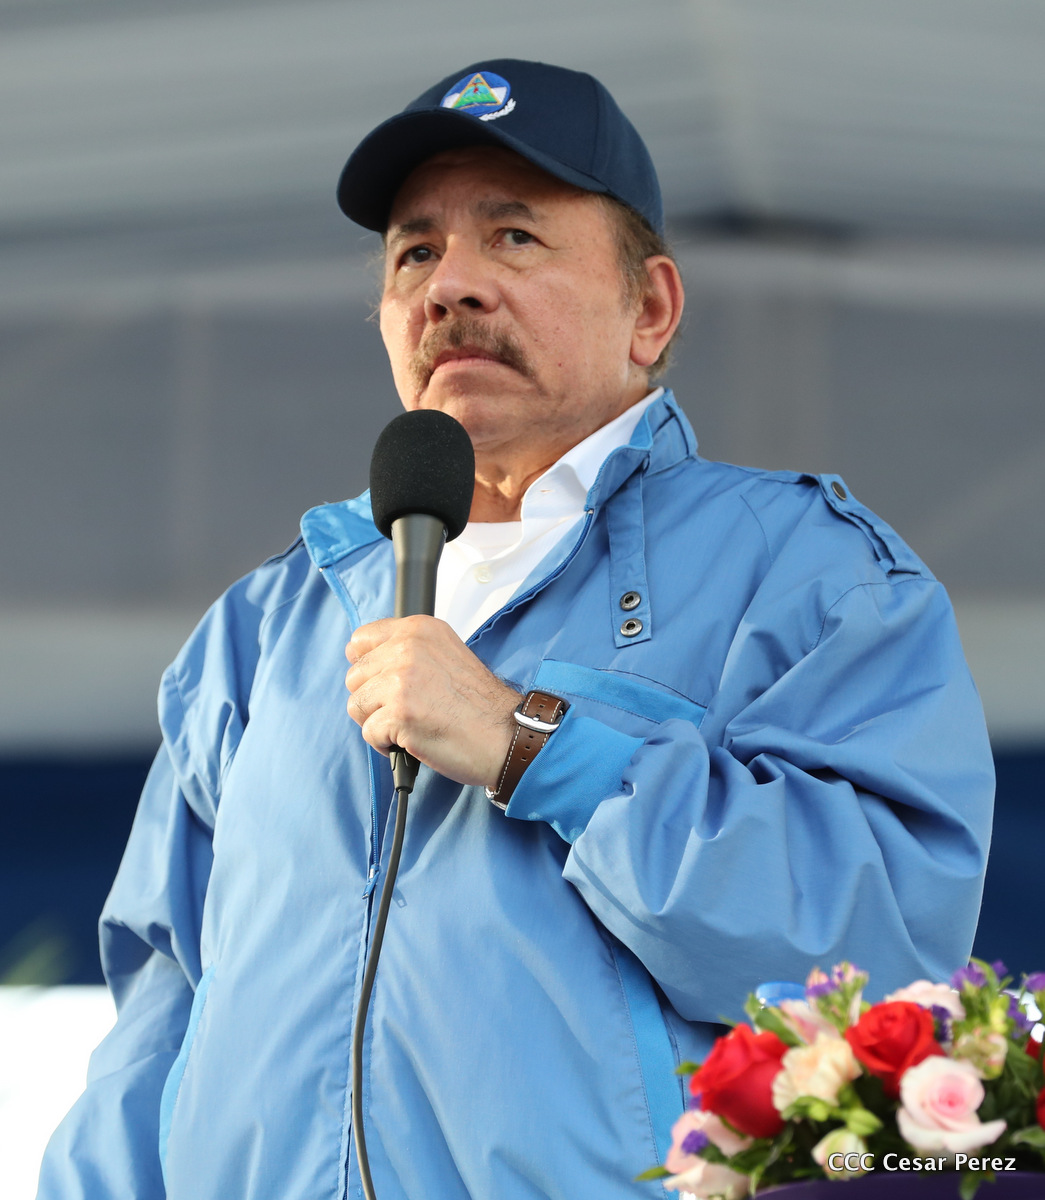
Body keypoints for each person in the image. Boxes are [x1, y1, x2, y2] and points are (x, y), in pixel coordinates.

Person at [38, 59, 994, 1200]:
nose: (451, 285)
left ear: (649, 310)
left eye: (515, 238)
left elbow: (873, 949)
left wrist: (527, 744)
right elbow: (159, 1018)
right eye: (414, 254)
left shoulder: (807, 570)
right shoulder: (260, 627)